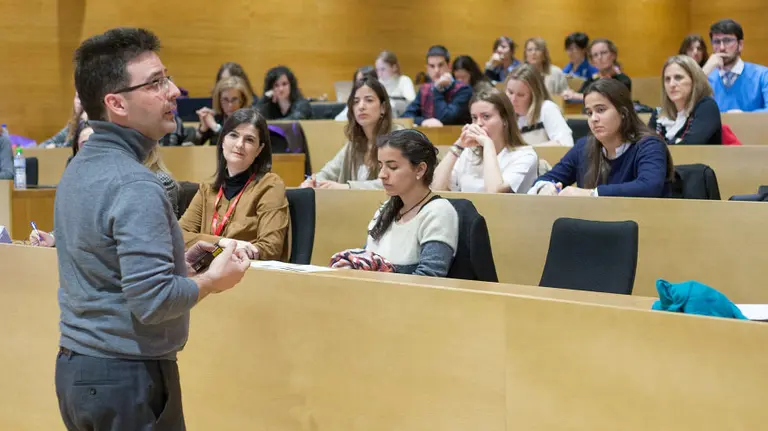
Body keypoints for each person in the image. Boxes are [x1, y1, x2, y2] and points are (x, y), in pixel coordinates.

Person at [55, 27, 251, 430]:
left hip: (80, 370)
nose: (175, 91)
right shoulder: (136, 184)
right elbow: (155, 301)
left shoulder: (79, 167)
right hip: (127, 379)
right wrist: (213, 280)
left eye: (168, 77)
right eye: (157, 83)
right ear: (116, 104)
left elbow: (110, 268)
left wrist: (179, 264)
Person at [529, 79, 673, 198]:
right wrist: (545, 187)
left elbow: (649, 187)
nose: (594, 119)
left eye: (601, 110)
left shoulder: (650, 145)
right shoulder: (584, 146)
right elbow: (549, 177)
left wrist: (592, 194)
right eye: (589, 113)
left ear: (623, 113)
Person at [180, 107, 290, 261]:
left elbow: (271, 248)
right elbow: (178, 236)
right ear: (223, 141)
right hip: (205, 274)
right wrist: (225, 243)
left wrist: (217, 250)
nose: (239, 144)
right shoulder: (208, 188)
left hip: (248, 275)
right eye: (233, 135)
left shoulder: (269, 185)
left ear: (259, 149)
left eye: (249, 140)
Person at [365, 129, 459, 276]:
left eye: (393, 167)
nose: (382, 175)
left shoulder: (439, 212)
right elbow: (365, 262)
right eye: (380, 166)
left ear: (420, 170)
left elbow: (428, 279)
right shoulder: (385, 210)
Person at [432, 88, 538, 193]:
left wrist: (488, 144)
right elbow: (436, 188)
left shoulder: (525, 155)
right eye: (474, 117)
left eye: (486, 116)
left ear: (505, 120)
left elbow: (495, 194)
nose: (478, 123)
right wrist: (459, 145)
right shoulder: (468, 153)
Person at [303, 76, 396, 190]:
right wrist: (311, 183)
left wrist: (347, 187)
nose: (361, 106)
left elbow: (392, 181)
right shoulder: (354, 143)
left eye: (369, 100)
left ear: (383, 108)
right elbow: (328, 172)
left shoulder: (397, 138)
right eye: (356, 102)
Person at [649, 55, 722, 145]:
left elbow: (690, 146)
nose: (671, 84)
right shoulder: (658, 114)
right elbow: (645, 149)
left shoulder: (707, 107)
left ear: (694, 80)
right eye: (667, 79)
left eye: (678, 78)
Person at [704, 19, 768, 113]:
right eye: (717, 42)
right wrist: (704, 71)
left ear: (740, 45)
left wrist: (742, 118)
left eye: (727, 41)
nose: (721, 48)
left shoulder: (762, 75)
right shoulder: (706, 78)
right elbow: (688, 111)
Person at [402, 45, 472, 127]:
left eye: (440, 65)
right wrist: (424, 121)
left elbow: (446, 119)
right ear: (427, 68)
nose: (436, 70)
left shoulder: (464, 89)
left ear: (449, 66)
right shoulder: (424, 89)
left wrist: (437, 90)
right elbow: (406, 116)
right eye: (432, 66)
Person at [505, 65, 574, 147]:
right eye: (510, 92)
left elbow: (565, 144)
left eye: (521, 95)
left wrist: (524, 151)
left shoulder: (547, 108)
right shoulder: (502, 114)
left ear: (534, 95)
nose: (513, 99)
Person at [562, 39, 631, 102]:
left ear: (613, 55)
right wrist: (569, 94)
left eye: (604, 53)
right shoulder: (591, 81)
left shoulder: (623, 80)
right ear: (592, 61)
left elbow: (608, 99)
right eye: (595, 55)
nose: (600, 57)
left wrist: (578, 96)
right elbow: (576, 96)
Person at [194, 76, 252, 145]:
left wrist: (215, 127)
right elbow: (193, 145)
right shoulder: (216, 118)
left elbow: (233, 145)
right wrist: (203, 129)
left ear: (242, 100)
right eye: (225, 99)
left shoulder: (250, 119)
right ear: (219, 100)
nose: (230, 105)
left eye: (234, 99)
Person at [375, 51, 416, 116]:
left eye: (383, 69)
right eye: (377, 70)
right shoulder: (377, 83)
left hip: (402, 120)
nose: (379, 74)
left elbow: (412, 105)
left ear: (394, 67)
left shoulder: (404, 81)